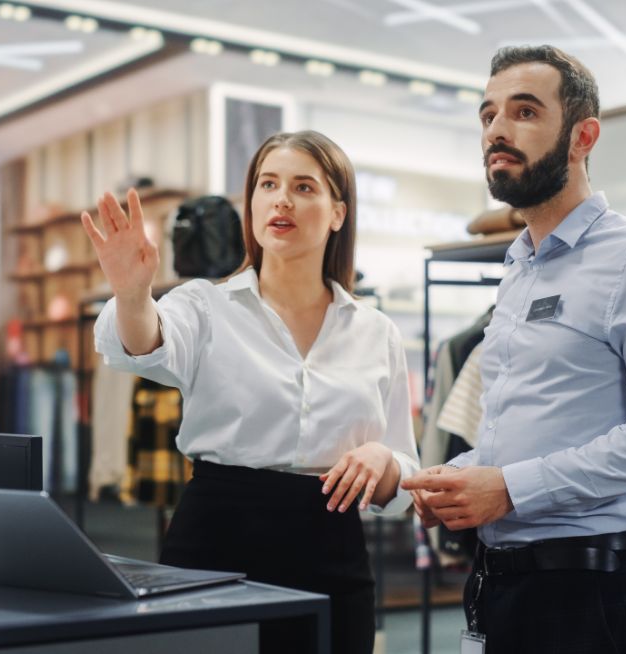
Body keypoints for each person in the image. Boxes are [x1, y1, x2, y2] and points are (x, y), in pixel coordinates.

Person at [403, 46, 626, 654]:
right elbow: (530, 427)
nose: (497, 130)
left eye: (523, 112)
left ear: (582, 136)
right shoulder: (520, 265)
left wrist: (512, 488)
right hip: (500, 579)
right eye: (488, 116)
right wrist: (460, 478)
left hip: (587, 595)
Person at [84, 130, 419, 654]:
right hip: (217, 542)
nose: (281, 199)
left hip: (332, 549)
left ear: (338, 213)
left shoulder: (376, 332)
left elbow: (405, 472)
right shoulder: (205, 306)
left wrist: (384, 461)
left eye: (304, 187)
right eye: (268, 184)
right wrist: (131, 295)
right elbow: (142, 344)